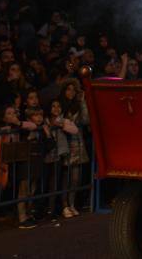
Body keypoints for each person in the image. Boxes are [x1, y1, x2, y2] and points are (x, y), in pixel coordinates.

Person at [59, 81, 89, 218]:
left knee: (75, 178)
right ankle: (64, 205)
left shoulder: (78, 106)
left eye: (73, 90)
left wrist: (83, 102)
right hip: (65, 143)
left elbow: (86, 120)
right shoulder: (60, 106)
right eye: (68, 89)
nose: (71, 92)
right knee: (66, 176)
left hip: (78, 144)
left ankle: (71, 204)